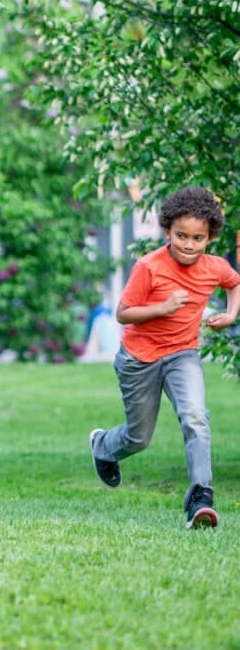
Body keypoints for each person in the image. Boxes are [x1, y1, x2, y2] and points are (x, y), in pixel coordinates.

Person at [89, 187, 240, 529]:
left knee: (196, 417)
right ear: (167, 231)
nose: (188, 244)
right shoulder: (149, 267)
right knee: (139, 438)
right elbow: (123, 313)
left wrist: (231, 316)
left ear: (210, 237)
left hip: (182, 355)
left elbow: (234, 283)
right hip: (138, 359)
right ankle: (103, 445)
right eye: (181, 236)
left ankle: (201, 496)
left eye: (198, 238)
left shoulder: (214, 267)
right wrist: (163, 307)